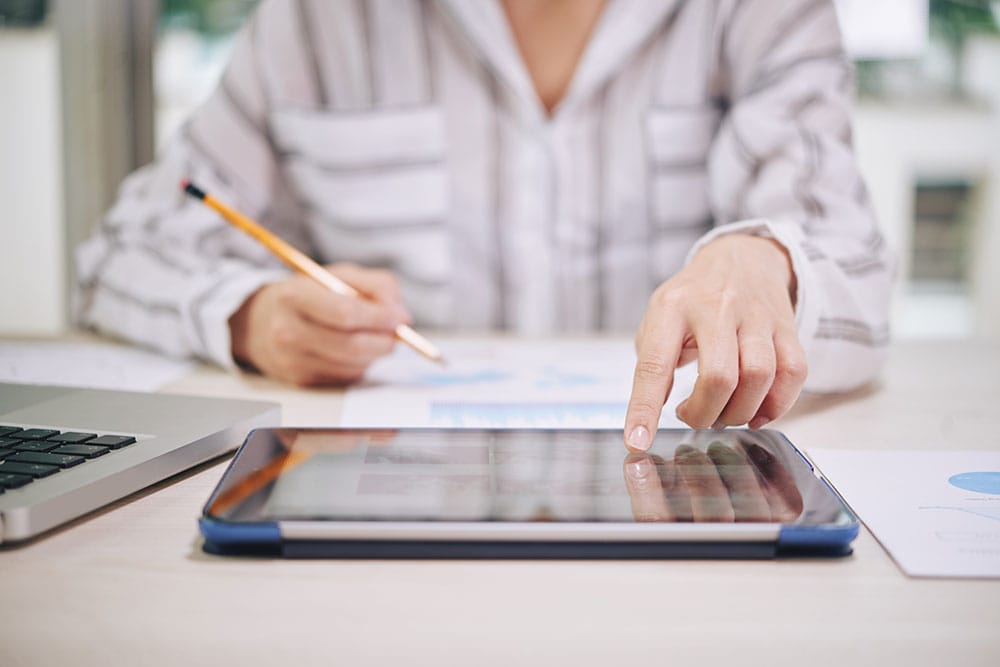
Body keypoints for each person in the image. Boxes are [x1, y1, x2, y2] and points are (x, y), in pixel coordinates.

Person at [75, 0, 893, 451]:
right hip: (389, 524)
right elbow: (122, 250)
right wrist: (251, 316)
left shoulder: (764, 12)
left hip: (681, 518)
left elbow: (858, 269)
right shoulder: (311, 22)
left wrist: (764, 261)